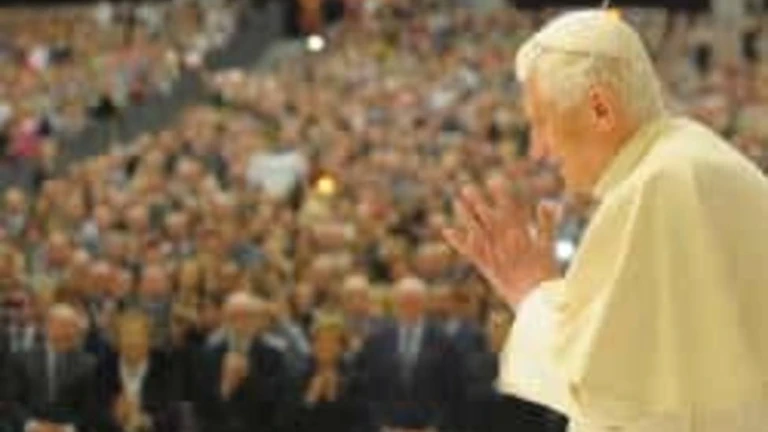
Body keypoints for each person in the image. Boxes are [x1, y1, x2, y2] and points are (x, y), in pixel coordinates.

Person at [443, 9, 768, 432]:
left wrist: (528, 291)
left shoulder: (662, 184)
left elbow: (612, 394)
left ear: (600, 109)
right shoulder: (684, 159)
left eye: (541, 123)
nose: (537, 151)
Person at [359, 277, 461, 432]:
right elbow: (369, 388)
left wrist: (435, 427)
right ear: (395, 303)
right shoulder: (377, 339)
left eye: (415, 301)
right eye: (404, 301)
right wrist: (382, 426)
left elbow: (452, 390)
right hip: (388, 427)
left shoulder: (443, 341)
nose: (409, 307)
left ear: (425, 304)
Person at [194, 291, 286, 432]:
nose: (240, 323)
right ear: (225, 320)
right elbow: (201, 406)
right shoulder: (209, 353)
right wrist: (225, 387)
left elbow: (276, 405)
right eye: (234, 317)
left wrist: (249, 376)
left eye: (247, 316)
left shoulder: (273, 354)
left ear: (257, 321)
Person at [8, 303, 104, 432]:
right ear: (47, 327)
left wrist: (66, 428)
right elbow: (12, 402)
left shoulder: (89, 364)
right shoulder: (22, 359)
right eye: (63, 326)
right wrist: (32, 426)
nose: (69, 332)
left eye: (74, 327)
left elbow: (91, 408)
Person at [100, 310, 176, 432]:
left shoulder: (166, 367)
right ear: (117, 341)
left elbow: (174, 414)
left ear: (149, 340)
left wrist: (147, 420)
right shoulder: (104, 369)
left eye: (139, 335)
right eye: (127, 335)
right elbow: (92, 413)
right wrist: (114, 416)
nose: (133, 341)